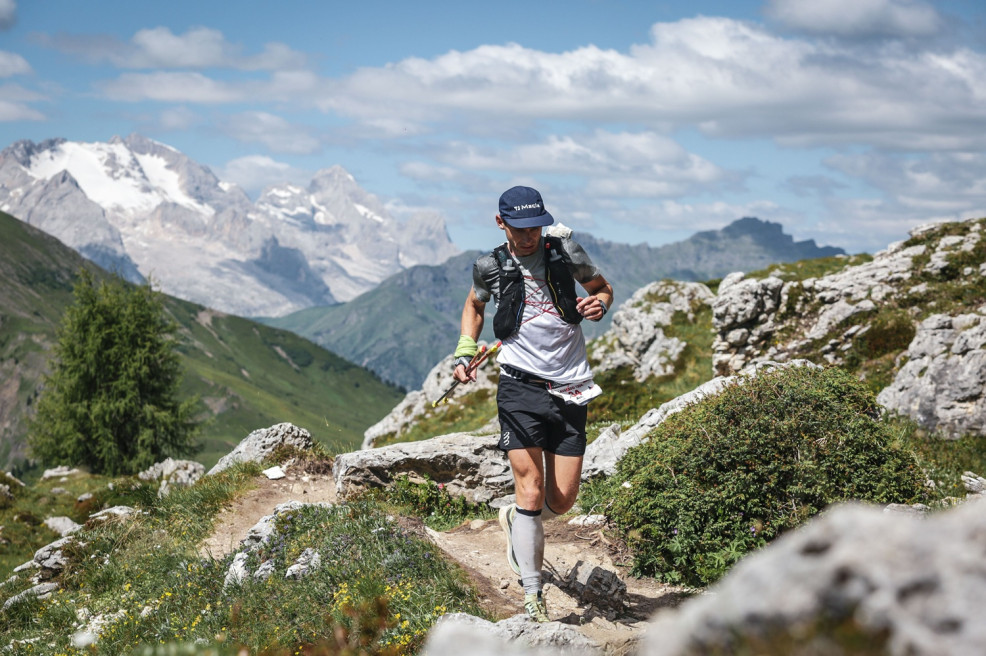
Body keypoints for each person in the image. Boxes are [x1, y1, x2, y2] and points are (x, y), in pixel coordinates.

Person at [452, 185, 613, 623]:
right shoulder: (489, 265)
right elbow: (474, 305)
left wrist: (598, 305)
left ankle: (516, 519)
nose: (529, 237)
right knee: (531, 487)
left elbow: (602, 289)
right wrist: (465, 352)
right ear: (501, 223)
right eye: (519, 229)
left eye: (535, 228)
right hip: (519, 387)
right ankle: (533, 596)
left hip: (571, 386)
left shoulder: (565, 252)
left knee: (562, 501)